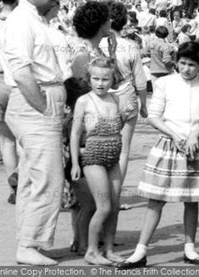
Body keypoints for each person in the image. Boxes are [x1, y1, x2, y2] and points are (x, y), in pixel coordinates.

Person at [118, 42, 199, 269]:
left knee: (191, 200)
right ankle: (140, 251)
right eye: (182, 63)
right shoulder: (164, 83)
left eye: (192, 65)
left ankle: (190, 249)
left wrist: (196, 136)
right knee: (156, 199)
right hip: (169, 144)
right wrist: (174, 135)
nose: (186, 69)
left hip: (196, 147)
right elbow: (154, 116)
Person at [0, 0, 65, 265]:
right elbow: (22, 72)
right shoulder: (21, 22)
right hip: (35, 100)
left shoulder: (33, 19)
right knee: (47, 177)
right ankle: (29, 244)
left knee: (31, 175)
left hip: (40, 98)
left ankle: (28, 240)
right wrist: (44, 108)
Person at [70, 57, 124, 265]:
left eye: (105, 79)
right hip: (93, 158)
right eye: (95, 79)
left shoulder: (116, 100)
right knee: (103, 207)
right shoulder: (84, 101)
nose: (100, 83)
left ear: (113, 80)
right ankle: (92, 251)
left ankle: (109, 249)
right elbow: (75, 134)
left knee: (115, 206)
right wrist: (75, 163)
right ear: (88, 79)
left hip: (114, 158)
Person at [100, 1, 148, 186]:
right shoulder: (131, 46)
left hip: (101, 98)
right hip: (127, 97)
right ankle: (115, 195)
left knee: (99, 146)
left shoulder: (96, 44)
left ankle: (99, 194)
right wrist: (144, 104)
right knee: (123, 149)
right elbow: (140, 80)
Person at [0, 0, 20, 204]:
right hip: (20, 80)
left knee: (6, 138)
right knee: (23, 136)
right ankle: (25, 182)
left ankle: (15, 185)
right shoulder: (22, 22)